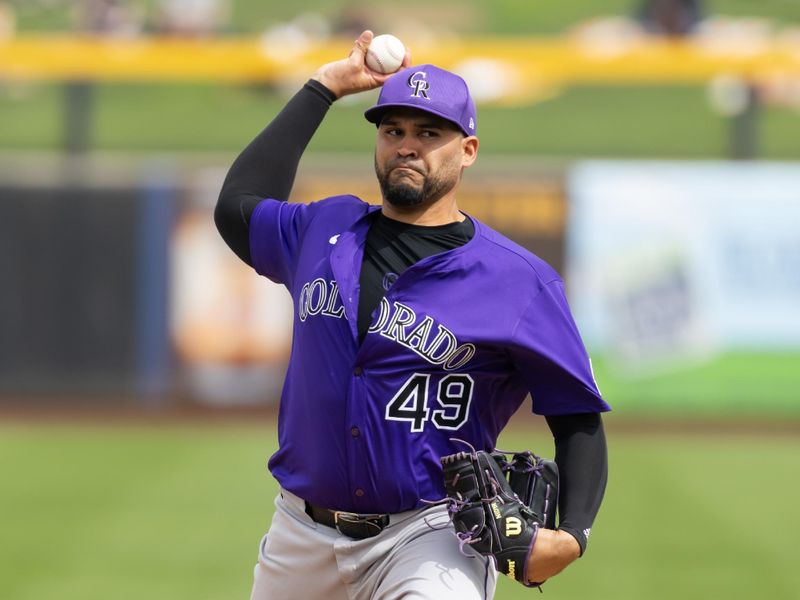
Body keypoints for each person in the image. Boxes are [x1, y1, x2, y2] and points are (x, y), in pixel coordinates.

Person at [215, 30, 610, 600]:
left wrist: (572, 536)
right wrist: (324, 87)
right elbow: (236, 206)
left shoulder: (517, 280)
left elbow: (577, 416)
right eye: (393, 130)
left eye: (429, 133)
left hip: (432, 533)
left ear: (467, 150)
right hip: (299, 534)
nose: (407, 145)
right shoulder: (322, 230)